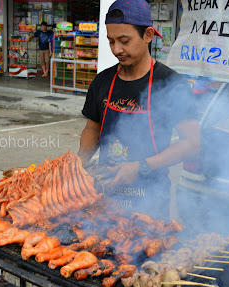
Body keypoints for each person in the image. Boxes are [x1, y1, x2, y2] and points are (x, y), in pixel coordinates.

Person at [77, 0, 200, 220]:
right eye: (111, 41)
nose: (116, 50)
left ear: (148, 35)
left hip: (150, 197)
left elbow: (191, 144)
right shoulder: (102, 81)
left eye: (124, 41)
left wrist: (142, 166)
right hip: (105, 193)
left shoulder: (172, 84)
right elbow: (92, 130)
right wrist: (78, 167)